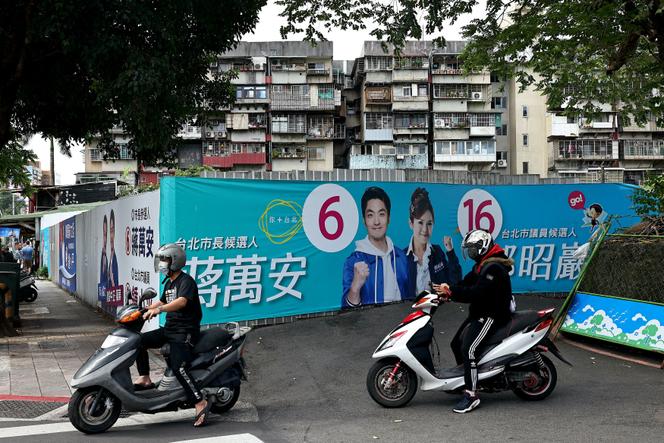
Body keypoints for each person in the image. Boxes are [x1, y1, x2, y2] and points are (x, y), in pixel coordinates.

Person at [433, 229, 514, 414]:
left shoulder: (493, 268)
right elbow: (465, 284)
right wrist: (448, 291)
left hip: (491, 315)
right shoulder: (482, 265)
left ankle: (472, 394)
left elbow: (477, 292)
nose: (470, 253)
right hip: (479, 312)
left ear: (482, 247)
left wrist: (453, 292)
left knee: (468, 349)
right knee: (455, 343)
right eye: (468, 249)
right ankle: (466, 380)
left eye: (472, 248)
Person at [133, 243, 211, 427]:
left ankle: (199, 401)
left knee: (179, 367)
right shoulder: (169, 282)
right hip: (170, 329)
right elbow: (160, 301)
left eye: (165, 260)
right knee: (138, 341)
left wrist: (159, 310)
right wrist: (141, 311)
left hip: (184, 332)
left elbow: (181, 302)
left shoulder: (186, 281)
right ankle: (145, 378)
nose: (162, 264)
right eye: (161, 260)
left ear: (175, 261)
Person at [342, 186, 410, 307]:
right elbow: (346, 313)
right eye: (370, 215)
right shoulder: (353, 261)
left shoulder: (402, 257)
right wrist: (355, 288)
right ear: (364, 220)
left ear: (389, 217)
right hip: (372, 325)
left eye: (381, 214)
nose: (376, 222)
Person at [405, 188, 462, 297]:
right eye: (420, 222)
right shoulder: (402, 258)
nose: (425, 230)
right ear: (411, 223)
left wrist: (450, 252)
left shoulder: (438, 253)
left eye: (429, 223)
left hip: (437, 312)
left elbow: (455, 282)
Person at [108, 210, 119, 287]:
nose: (111, 235)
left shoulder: (115, 258)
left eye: (113, 230)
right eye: (110, 231)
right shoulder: (109, 257)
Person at [99, 215, 109, 289]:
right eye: (104, 234)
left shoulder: (108, 257)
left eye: (106, 234)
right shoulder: (103, 256)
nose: (105, 238)